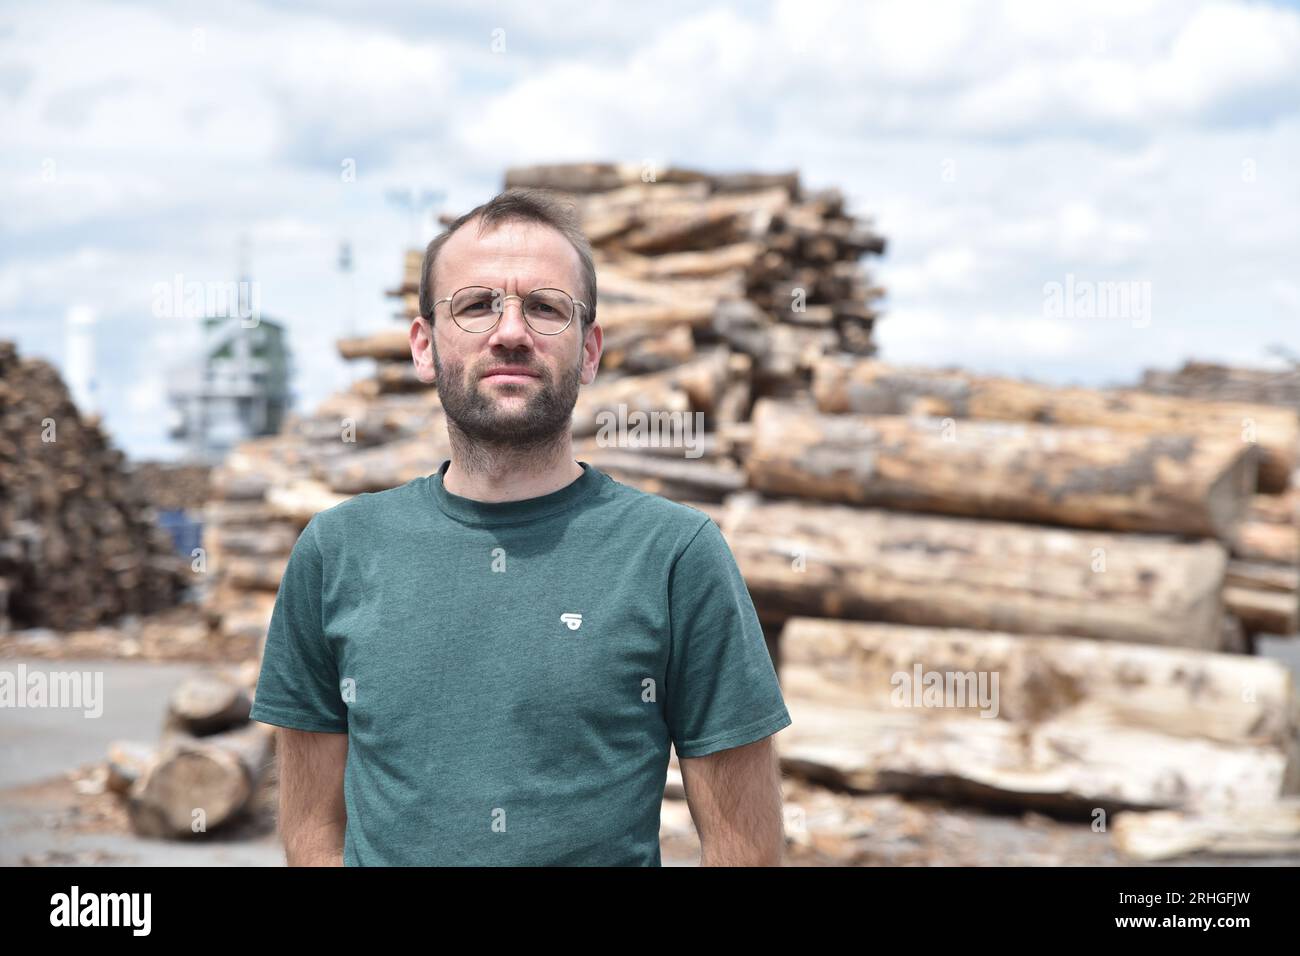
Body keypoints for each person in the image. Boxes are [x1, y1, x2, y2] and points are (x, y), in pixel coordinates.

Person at [249, 187, 792, 866]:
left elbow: (746, 848)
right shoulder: (336, 552)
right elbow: (310, 828)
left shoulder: (675, 555)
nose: (511, 331)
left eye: (545, 308)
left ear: (590, 351)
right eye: (476, 305)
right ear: (423, 345)